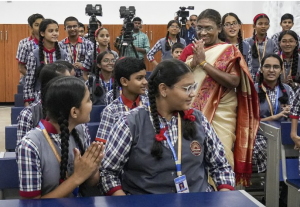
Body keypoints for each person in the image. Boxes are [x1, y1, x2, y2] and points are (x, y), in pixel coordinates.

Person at [100, 59, 235, 195]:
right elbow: (108, 173)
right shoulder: (129, 123)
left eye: (193, 87)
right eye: (186, 88)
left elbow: (221, 167)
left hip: (197, 201)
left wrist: (222, 197)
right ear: (163, 89)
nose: (193, 93)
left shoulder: (199, 120)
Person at [184, 9, 260, 185]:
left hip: (221, 114)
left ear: (219, 28)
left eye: (208, 28)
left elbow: (233, 81)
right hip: (193, 115)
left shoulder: (229, 51)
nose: (203, 32)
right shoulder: (193, 50)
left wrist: (203, 63)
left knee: (222, 158)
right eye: (199, 28)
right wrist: (193, 62)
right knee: (193, 159)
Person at [17, 76, 105, 198]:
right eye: (89, 100)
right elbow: (31, 203)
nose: (92, 104)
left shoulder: (80, 130)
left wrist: (93, 168)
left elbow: (92, 182)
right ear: (74, 112)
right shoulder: (30, 145)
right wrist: (77, 177)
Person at [253, 54, 294, 174]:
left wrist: (290, 113)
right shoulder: (253, 90)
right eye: (267, 66)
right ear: (261, 69)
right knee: (269, 150)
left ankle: (288, 185)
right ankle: (276, 183)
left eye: (276, 67)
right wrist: (273, 118)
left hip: (283, 134)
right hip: (259, 135)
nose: (271, 70)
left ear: (281, 70)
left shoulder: (287, 89)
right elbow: (247, 121)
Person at [17, 62, 76, 142]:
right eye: (67, 84)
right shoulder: (28, 115)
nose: (72, 88)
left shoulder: (75, 113)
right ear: (51, 87)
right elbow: (23, 150)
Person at [96, 57, 148, 141]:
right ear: (124, 81)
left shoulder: (149, 104)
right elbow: (103, 145)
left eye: (145, 77)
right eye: (139, 78)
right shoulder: (111, 111)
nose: (145, 82)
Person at [23, 19, 68, 107]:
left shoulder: (64, 54)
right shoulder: (34, 54)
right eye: (51, 31)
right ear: (42, 33)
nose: (55, 33)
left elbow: (68, 78)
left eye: (56, 30)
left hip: (60, 95)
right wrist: (28, 100)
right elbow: (29, 81)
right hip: (39, 97)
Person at [245, 13, 278, 82]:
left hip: (267, 78)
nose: (263, 26)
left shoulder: (273, 43)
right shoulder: (246, 42)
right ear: (254, 26)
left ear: (269, 26)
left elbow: (276, 61)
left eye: (266, 24)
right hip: (249, 78)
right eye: (260, 24)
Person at [59, 16, 94, 81]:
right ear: (65, 28)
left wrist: (83, 66)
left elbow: (93, 64)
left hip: (84, 79)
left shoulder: (89, 44)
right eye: (69, 27)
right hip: (66, 79)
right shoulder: (60, 45)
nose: (72, 29)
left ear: (78, 27)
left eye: (75, 26)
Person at [221, 13, 253, 79]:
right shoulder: (220, 46)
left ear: (239, 25)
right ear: (222, 28)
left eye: (234, 23)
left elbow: (249, 69)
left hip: (243, 83)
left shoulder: (246, 46)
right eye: (227, 24)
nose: (232, 27)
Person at [16, 13, 44, 84]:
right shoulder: (24, 43)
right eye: (37, 25)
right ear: (31, 27)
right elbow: (21, 67)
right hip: (30, 79)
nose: (40, 27)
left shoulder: (49, 41)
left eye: (42, 24)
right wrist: (33, 78)